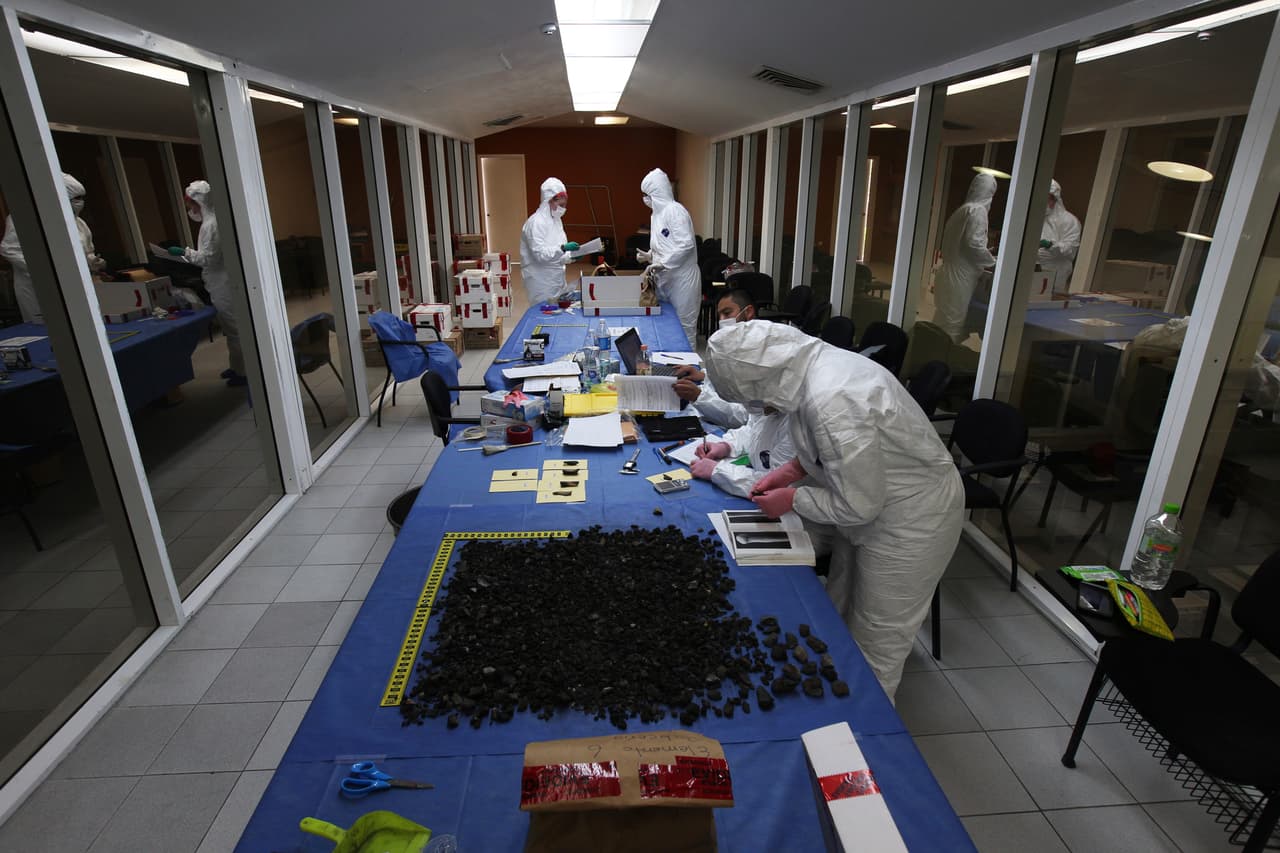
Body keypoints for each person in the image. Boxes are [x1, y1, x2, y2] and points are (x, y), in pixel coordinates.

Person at [704, 321, 965, 699]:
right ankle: (835, 701)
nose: (757, 408)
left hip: (912, 519)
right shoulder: (808, 372)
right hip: (870, 501)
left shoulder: (833, 399)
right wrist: (790, 471)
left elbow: (858, 504)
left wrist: (792, 498)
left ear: (762, 381)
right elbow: (828, 452)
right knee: (839, 611)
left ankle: (870, 737)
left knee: (877, 640)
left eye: (753, 399)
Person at [1, 173, 106, 324]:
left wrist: (93, 261)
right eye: (75, 199)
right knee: (46, 328)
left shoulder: (78, 223)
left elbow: (87, 252)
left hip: (74, 285)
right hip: (37, 287)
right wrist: (47, 271)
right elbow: (9, 249)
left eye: (82, 198)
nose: (80, 203)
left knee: (80, 325)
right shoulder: (24, 217)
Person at [169, 180, 243, 386]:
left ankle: (245, 373)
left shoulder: (210, 225)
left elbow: (207, 259)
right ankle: (238, 366)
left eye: (191, 204)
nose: (190, 209)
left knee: (234, 328)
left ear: (199, 202)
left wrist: (184, 252)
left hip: (222, 282)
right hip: (219, 281)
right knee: (231, 327)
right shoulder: (213, 221)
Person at [672, 288, 757, 428]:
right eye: (720, 315)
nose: (722, 320)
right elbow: (729, 379)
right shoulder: (736, 341)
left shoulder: (758, 357)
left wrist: (698, 396)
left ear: (748, 312)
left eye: (727, 313)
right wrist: (704, 376)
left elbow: (743, 417)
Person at [637, 168, 700, 346]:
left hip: (682, 280)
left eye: (647, 195)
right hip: (663, 278)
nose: (645, 199)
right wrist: (650, 256)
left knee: (684, 328)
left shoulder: (675, 211)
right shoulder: (655, 215)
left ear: (657, 193)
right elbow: (665, 246)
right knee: (665, 325)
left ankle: (689, 369)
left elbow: (686, 244)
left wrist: (663, 263)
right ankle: (667, 367)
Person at [934, 173, 997, 344]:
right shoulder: (978, 211)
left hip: (947, 273)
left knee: (941, 322)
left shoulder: (962, 210)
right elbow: (973, 244)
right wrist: (993, 262)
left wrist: (985, 252)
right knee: (952, 327)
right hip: (960, 277)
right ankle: (941, 365)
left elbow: (962, 244)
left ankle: (929, 358)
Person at [690, 407, 796, 499]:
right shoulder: (769, 406)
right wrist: (727, 446)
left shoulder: (795, 426)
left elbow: (778, 485)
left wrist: (718, 471)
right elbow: (753, 430)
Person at [520, 178, 578, 305]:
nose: (563, 209)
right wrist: (563, 248)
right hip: (541, 281)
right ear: (548, 201)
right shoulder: (536, 222)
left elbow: (559, 255)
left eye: (565, 205)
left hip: (557, 278)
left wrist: (572, 257)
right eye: (560, 205)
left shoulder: (556, 221)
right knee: (543, 313)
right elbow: (540, 255)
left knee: (557, 313)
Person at [1038, 179, 1082, 290]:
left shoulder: (1069, 221)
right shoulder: (1035, 218)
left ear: (1055, 199)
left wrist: (1050, 245)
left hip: (1056, 272)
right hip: (1034, 268)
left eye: (1047, 198)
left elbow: (1070, 249)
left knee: (1048, 301)